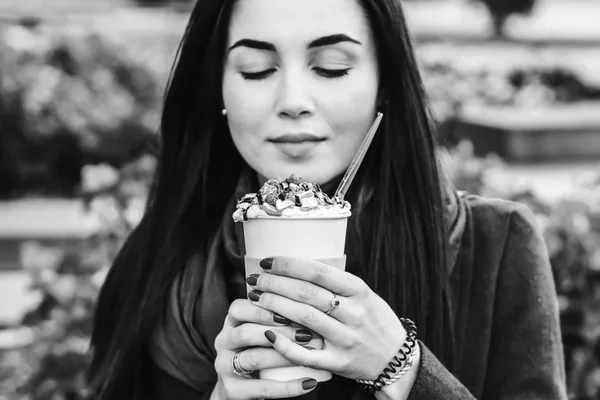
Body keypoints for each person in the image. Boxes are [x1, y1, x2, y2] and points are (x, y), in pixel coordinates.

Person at [87, 0, 567, 399]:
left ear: (384, 83)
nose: (294, 99)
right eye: (256, 70)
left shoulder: (497, 246)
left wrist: (404, 368)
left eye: (332, 68)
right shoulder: (155, 260)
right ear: (219, 87)